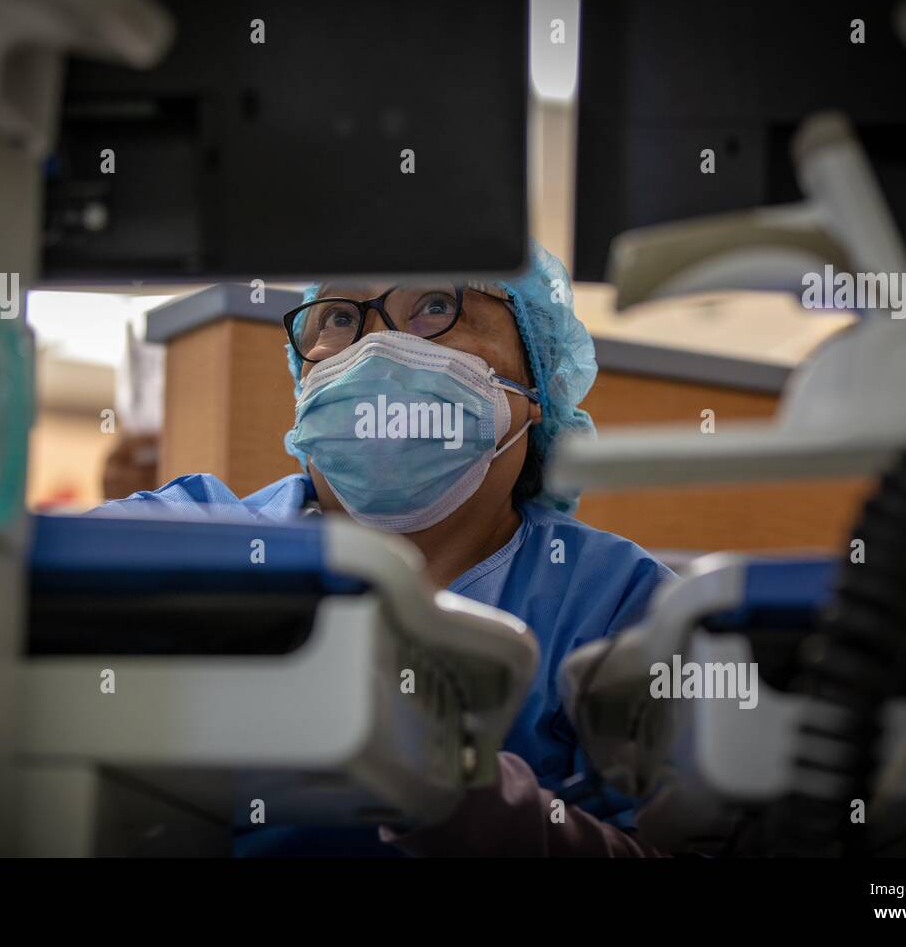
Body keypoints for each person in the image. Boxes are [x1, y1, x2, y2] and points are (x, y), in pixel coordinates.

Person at [97, 240, 673, 856]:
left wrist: (475, 805)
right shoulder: (195, 533)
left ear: (534, 389)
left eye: (434, 304)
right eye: (341, 318)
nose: (374, 348)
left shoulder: (616, 603)